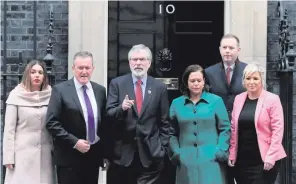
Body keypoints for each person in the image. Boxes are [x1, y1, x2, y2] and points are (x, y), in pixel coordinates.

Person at [106, 44, 171, 184]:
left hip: (151, 153)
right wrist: (121, 108)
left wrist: (163, 149)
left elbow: (164, 121)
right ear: (129, 62)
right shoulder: (117, 84)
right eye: (134, 60)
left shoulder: (159, 87)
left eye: (142, 59)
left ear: (149, 63)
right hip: (123, 154)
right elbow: (109, 116)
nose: (138, 63)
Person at [45, 51, 109, 184]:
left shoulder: (100, 91)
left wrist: (105, 153)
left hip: (93, 156)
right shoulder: (60, 90)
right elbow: (51, 122)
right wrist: (75, 142)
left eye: (87, 67)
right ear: (73, 68)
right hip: (69, 157)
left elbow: (104, 124)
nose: (84, 71)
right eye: (80, 68)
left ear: (93, 69)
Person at [228, 63, 287, 184]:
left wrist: (271, 157)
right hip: (242, 160)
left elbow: (278, 130)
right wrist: (232, 154)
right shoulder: (238, 99)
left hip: (264, 160)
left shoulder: (272, 99)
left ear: (261, 80)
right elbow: (234, 129)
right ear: (244, 80)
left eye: (255, 78)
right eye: (248, 78)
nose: (251, 82)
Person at [205, 33, 247, 184]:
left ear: (238, 49)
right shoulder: (209, 73)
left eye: (231, 47)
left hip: (242, 132)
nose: (227, 51)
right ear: (220, 50)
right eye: (224, 47)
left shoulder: (247, 71)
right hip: (218, 132)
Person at [3, 60, 53, 184]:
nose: (37, 75)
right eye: (33, 72)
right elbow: (9, 130)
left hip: (45, 155)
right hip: (22, 155)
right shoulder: (16, 96)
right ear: (27, 74)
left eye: (40, 73)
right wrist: (9, 157)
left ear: (44, 76)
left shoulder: (51, 95)